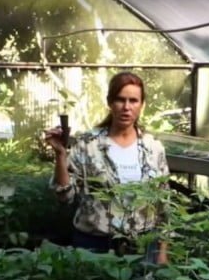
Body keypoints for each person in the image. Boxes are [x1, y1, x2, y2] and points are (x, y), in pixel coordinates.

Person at [47, 71, 169, 263]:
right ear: (110, 102)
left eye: (133, 100)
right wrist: (61, 155)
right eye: (120, 100)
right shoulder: (88, 145)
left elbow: (162, 205)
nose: (126, 107)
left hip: (143, 248)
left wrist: (161, 252)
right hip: (95, 247)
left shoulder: (153, 149)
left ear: (142, 105)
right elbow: (64, 196)